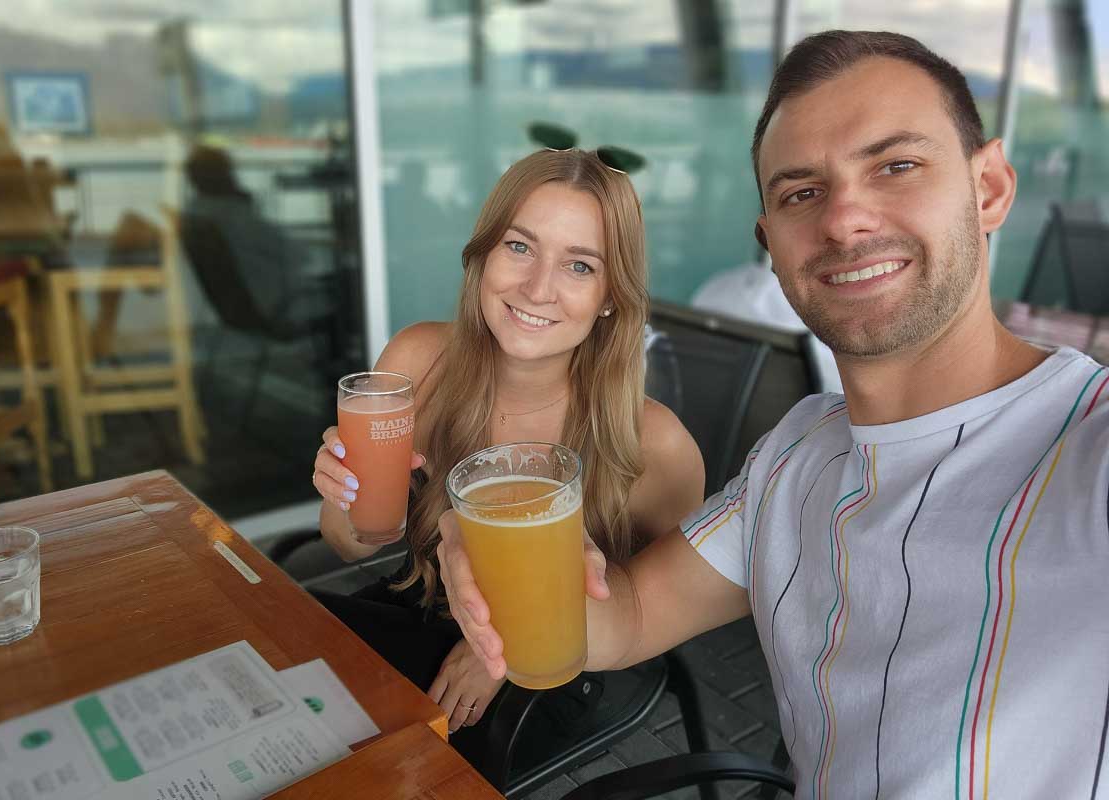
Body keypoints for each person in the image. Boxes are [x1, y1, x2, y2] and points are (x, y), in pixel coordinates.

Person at [440, 30, 1109, 798]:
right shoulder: (793, 456)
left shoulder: (1085, 453)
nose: (845, 219)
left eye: (896, 165)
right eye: (800, 193)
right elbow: (625, 617)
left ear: (987, 187)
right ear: (771, 243)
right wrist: (523, 574)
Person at [310, 149, 705, 748]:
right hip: (416, 606)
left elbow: (658, 611)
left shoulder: (655, 441)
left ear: (608, 297)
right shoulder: (419, 362)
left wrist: (499, 649)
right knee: (283, 660)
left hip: (554, 670)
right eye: (519, 247)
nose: (537, 287)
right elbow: (348, 541)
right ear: (483, 259)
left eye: (579, 266)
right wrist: (347, 497)